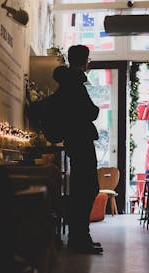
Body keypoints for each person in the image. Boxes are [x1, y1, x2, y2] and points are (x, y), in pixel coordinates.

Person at [53, 45, 103, 254]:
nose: (89, 63)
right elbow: (90, 111)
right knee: (87, 189)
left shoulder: (68, 82)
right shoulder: (75, 83)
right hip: (81, 141)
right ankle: (79, 238)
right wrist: (94, 110)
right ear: (84, 61)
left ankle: (80, 236)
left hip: (74, 141)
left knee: (82, 190)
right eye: (88, 59)